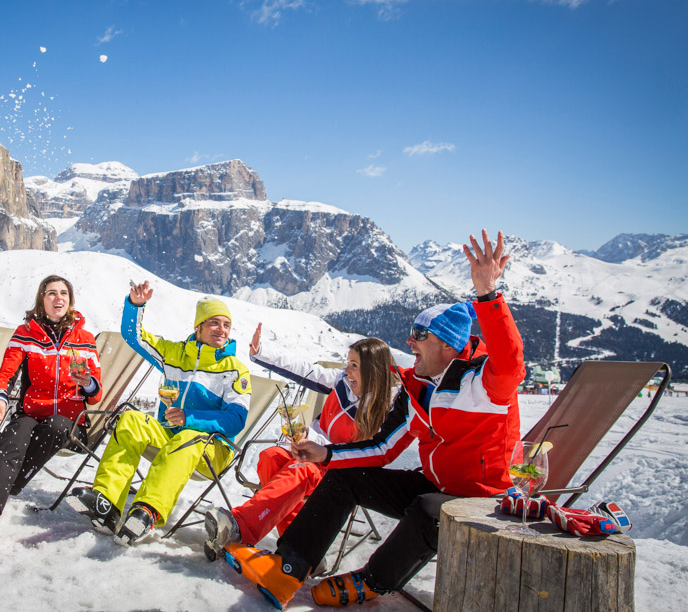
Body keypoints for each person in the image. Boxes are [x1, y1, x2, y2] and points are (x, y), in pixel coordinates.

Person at [224, 230, 525, 609]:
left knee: (430, 512)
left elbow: (511, 361)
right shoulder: (417, 387)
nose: (410, 342)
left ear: (447, 345)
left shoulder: (484, 383)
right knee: (346, 478)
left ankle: (372, 580)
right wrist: (327, 454)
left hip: (482, 499)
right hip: (433, 483)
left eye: (419, 335)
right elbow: (383, 448)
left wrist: (487, 295)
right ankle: (287, 567)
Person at [69, 280, 252, 546]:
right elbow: (135, 337)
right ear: (198, 327)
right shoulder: (174, 354)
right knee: (131, 419)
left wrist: (191, 418)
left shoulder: (235, 370)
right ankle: (107, 504)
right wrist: (136, 306)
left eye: (226, 325)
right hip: (169, 434)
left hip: (210, 450)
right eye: (214, 323)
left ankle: (147, 512)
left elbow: (237, 420)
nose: (221, 330)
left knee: (188, 436)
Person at [202, 330, 398, 561]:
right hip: (312, 454)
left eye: (354, 365)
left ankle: (240, 527)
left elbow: (370, 451)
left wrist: (319, 445)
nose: (347, 371)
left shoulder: (388, 405)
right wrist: (262, 352)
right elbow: (304, 369)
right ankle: (301, 548)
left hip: (340, 469)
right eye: (348, 363)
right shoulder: (342, 382)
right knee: (270, 457)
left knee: (300, 471)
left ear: (373, 370)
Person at [0, 275, 102, 544]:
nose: (58, 298)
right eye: (51, 293)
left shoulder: (85, 340)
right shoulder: (25, 334)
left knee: (55, 425)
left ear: (70, 300)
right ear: (41, 301)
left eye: (63, 293)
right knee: (17, 429)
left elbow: (95, 394)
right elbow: (5, 374)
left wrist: (88, 382)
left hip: (70, 421)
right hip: (31, 413)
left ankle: (3, 486)